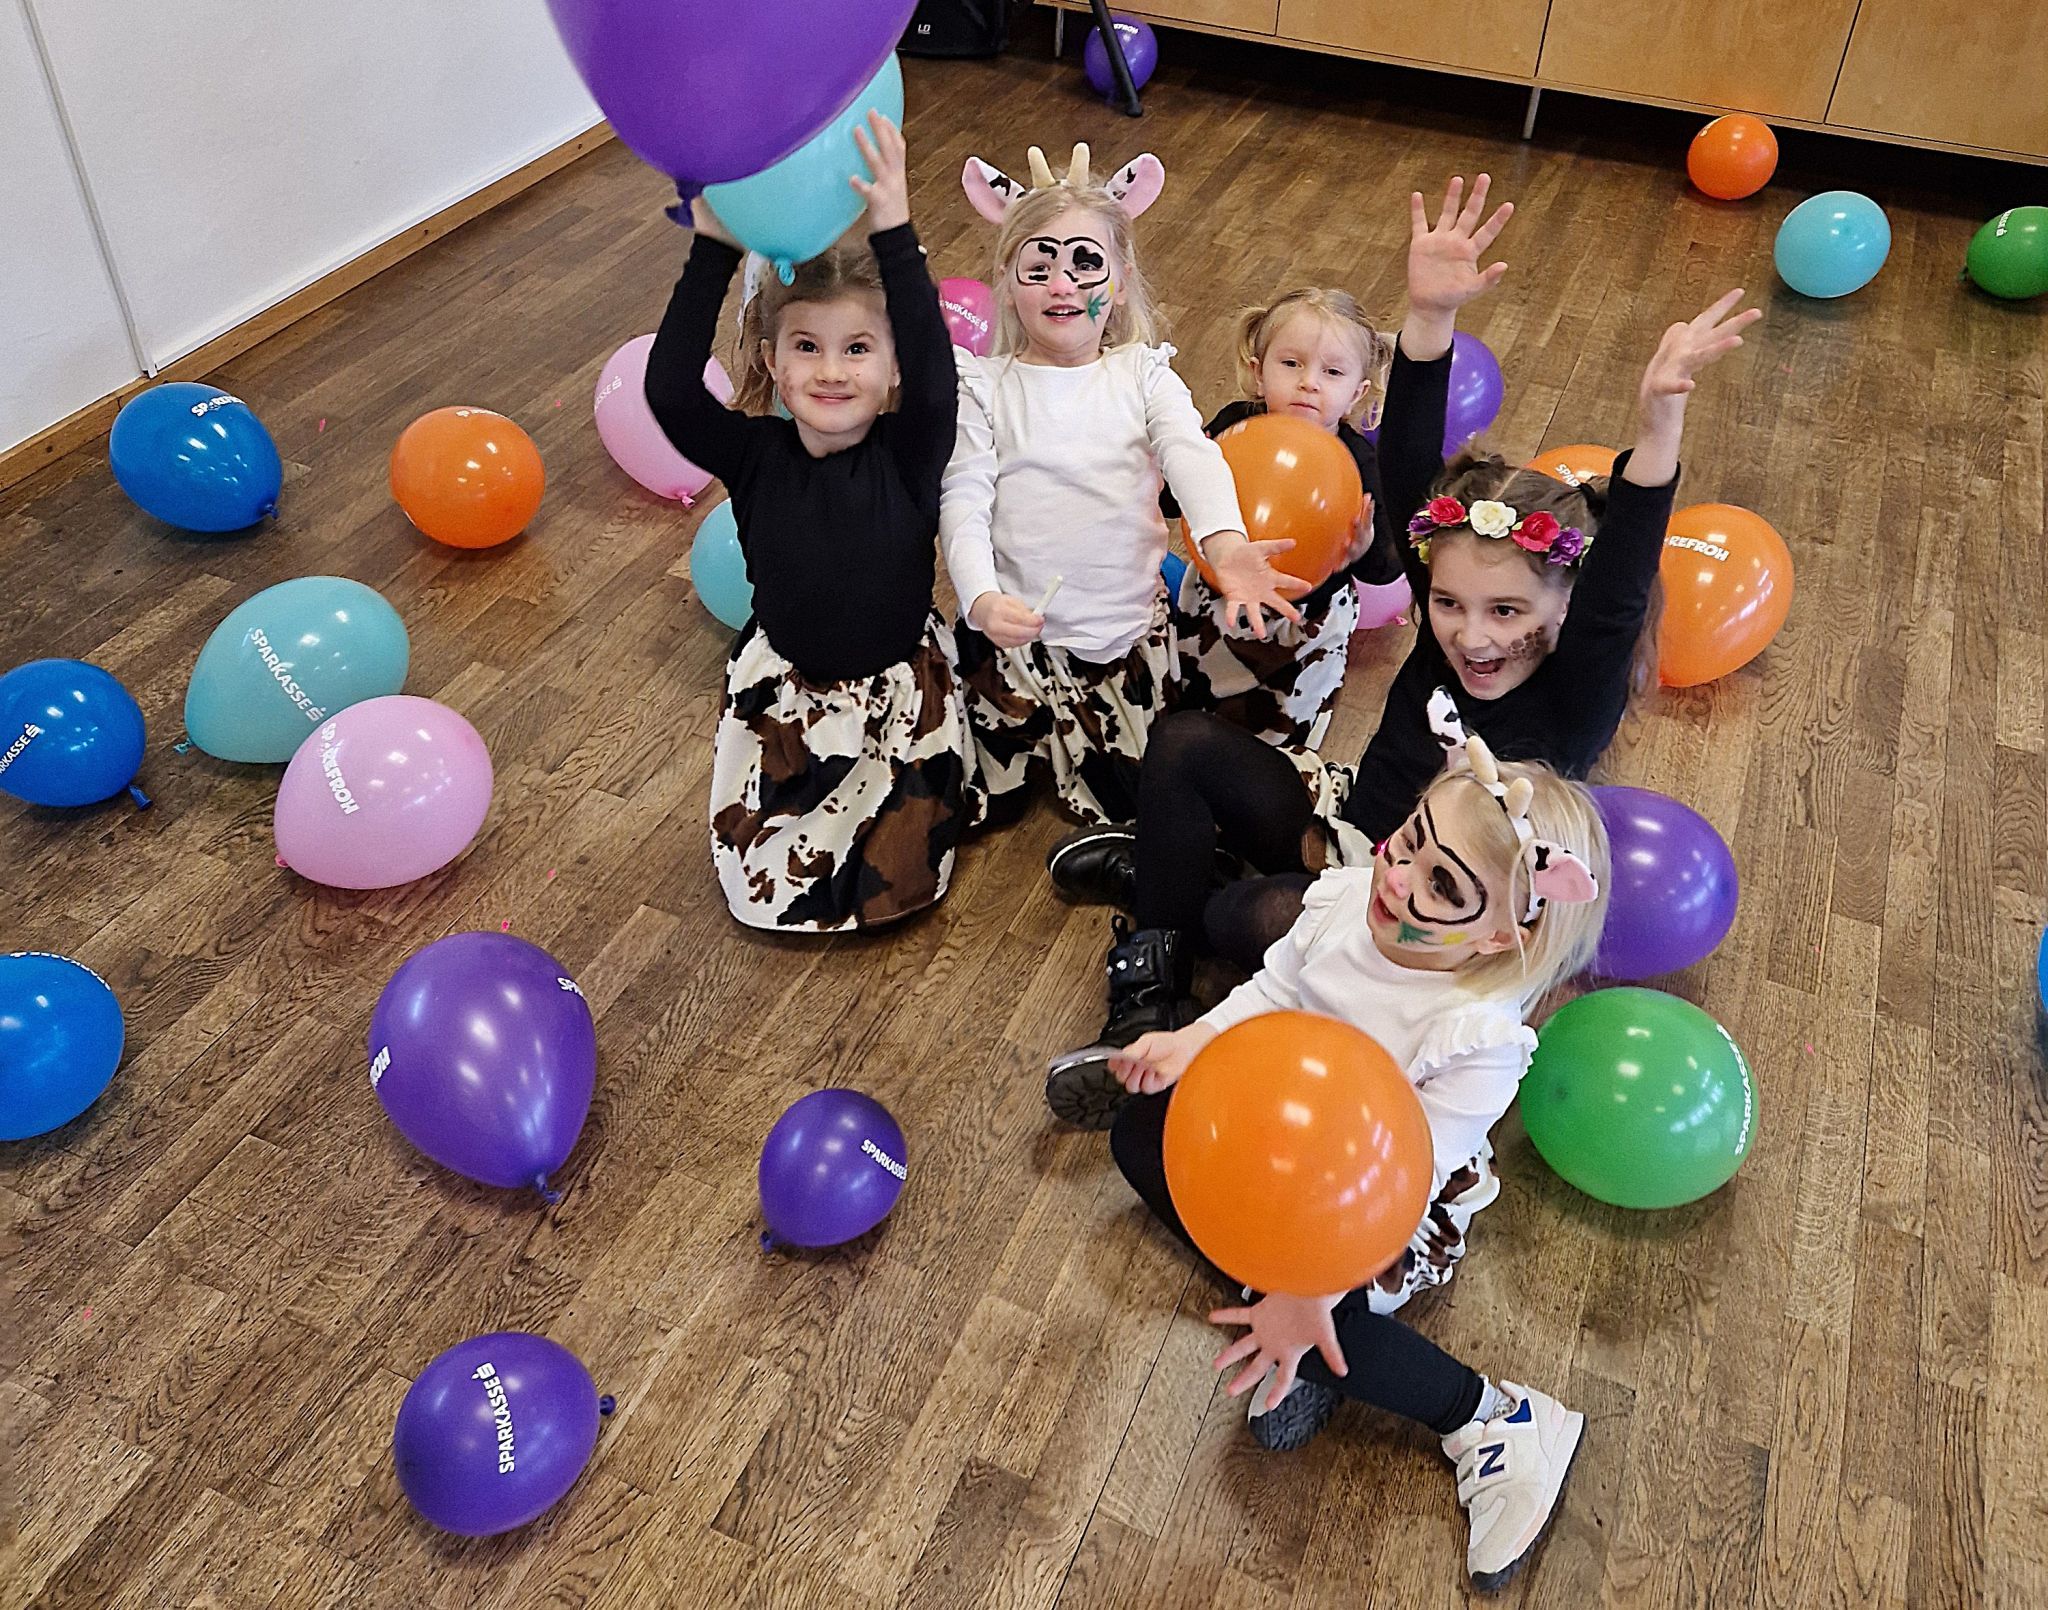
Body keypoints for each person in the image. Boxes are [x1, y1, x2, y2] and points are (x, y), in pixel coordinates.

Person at [1046, 175, 1757, 1099]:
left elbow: (1621, 582)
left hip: (1424, 911)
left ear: (1563, 612)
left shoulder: (1578, 689)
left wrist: (1659, 424)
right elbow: (1414, 466)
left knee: (1239, 919)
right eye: (1449, 604)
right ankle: (1151, 986)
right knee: (1182, 743)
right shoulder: (1451, 617)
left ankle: (1179, 882)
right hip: (1353, 830)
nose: (1470, 636)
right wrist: (1429, 318)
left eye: (1507, 614)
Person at [1105, 737, 1610, 1593]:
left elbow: (1407, 1185)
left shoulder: (1476, 1039)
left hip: (1387, 1213)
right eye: (1409, 840)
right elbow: (1275, 992)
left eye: (1443, 886)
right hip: (1289, 1141)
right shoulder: (1345, 900)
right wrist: (1194, 1042)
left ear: (1500, 935)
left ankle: (1491, 1417)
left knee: (1311, 1324)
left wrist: (1308, 1289)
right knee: (1135, 1135)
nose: (1400, 881)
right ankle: (1292, 1318)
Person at [644, 114, 970, 932]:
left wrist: (895, 230)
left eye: (858, 349)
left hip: (896, 706)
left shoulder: (911, 450)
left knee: (900, 879)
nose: (831, 371)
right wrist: (714, 245)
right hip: (789, 705)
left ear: (892, 368)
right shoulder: (754, 455)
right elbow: (670, 391)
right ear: (771, 360)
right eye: (806, 347)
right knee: (768, 886)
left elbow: (938, 382)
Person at [941, 143, 1301, 829]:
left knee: (1144, 801)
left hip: (1120, 640)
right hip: (1012, 652)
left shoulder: (1142, 373)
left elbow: (1191, 454)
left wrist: (1226, 544)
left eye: (1085, 264)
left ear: (1123, 281)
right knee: (971, 800)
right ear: (1008, 283)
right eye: (1039, 267)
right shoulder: (983, 386)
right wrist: (980, 596)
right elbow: (963, 497)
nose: (1062, 285)